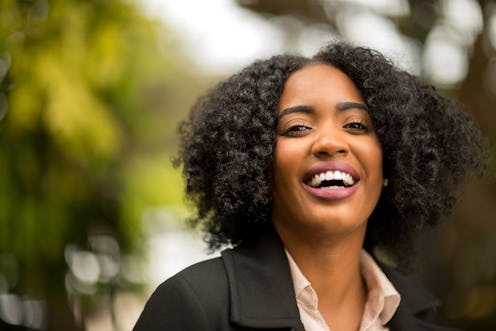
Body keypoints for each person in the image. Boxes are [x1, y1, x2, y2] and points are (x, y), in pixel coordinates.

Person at [133, 42, 486, 331]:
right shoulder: (192, 307)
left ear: (391, 162)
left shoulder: (423, 319)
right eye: (298, 127)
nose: (331, 142)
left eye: (356, 125)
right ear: (259, 166)